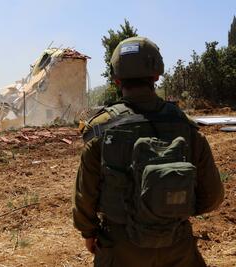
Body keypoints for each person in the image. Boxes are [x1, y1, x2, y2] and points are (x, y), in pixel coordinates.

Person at [72, 36, 224, 267]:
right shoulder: (186, 127)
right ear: (156, 75)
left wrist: (88, 232)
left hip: (119, 246)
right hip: (177, 244)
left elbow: (86, 194)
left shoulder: (101, 129)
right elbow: (213, 196)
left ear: (116, 79)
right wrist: (172, 211)